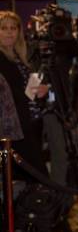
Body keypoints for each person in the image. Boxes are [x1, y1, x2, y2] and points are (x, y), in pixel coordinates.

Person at [0, 10, 49, 180]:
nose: (9, 32)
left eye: (13, 28)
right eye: (4, 28)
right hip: (12, 129)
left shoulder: (19, 56)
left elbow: (24, 91)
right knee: (33, 177)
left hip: (30, 123)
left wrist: (39, 90)